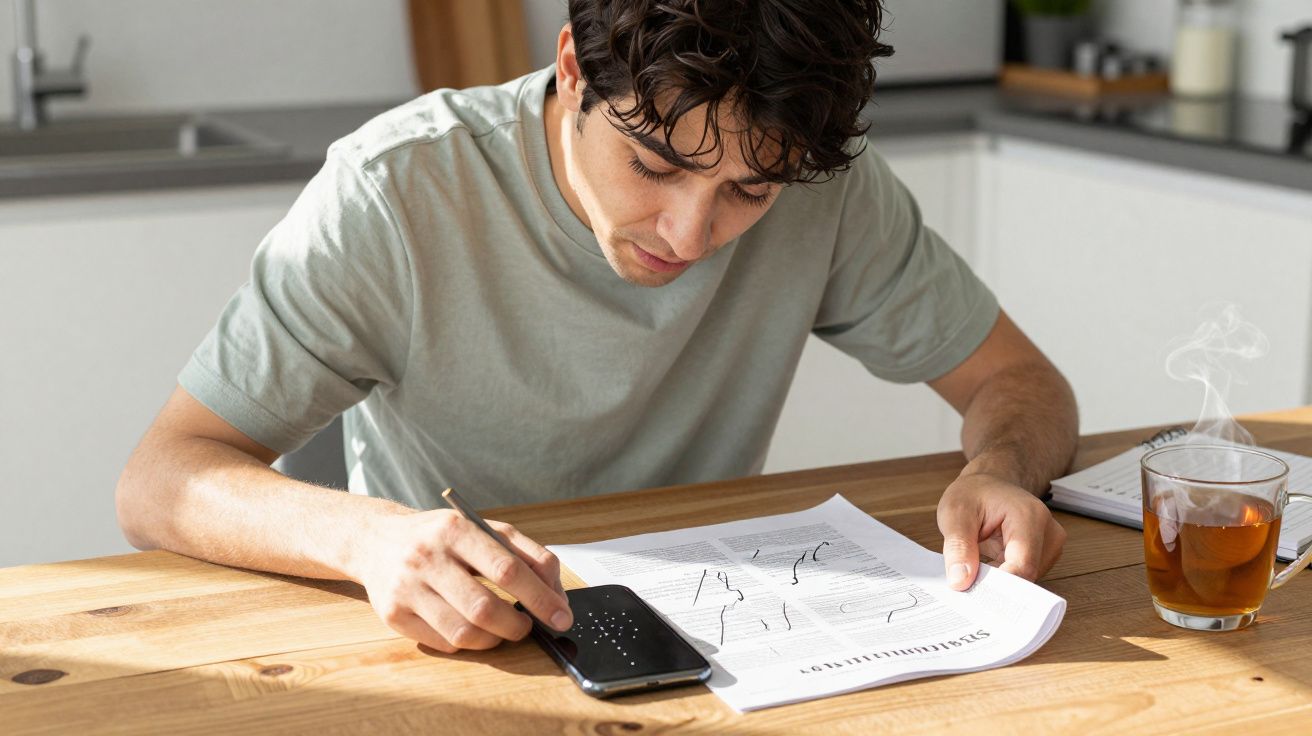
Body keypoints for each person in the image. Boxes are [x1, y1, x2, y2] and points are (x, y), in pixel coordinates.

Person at [116, 0, 1078, 655]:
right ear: (575, 71)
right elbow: (163, 477)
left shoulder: (829, 197)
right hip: (461, 649)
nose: (692, 234)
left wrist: (998, 469)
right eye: (655, 164)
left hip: (723, 646)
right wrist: (372, 542)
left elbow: (1022, 385)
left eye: (750, 189)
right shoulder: (395, 192)